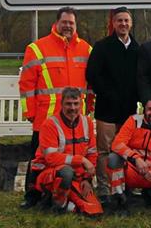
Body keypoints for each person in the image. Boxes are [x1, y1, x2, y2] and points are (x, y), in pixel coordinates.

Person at [18, 6, 92, 209]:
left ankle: (65, 194)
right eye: (65, 22)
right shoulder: (37, 48)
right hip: (46, 118)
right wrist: (30, 112)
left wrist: (90, 107)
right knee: (38, 159)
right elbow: (26, 85)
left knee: (74, 158)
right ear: (56, 23)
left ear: (76, 25)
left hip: (76, 119)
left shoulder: (86, 49)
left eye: (71, 23)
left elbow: (91, 84)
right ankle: (32, 195)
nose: (68, 26)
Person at [85, 6, 141, 199]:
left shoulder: (137, 48)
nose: (123, 24)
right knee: (105, 151)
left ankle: (127, 185)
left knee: (127, 149)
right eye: (119, 20)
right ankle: (104, 188)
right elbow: (92, 74)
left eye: (126, 20)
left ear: (131, 23)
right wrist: (108, 94)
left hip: (128, 110)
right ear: (113, 23)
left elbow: (140, 77)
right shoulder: (102, 46)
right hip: (106, 109)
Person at [28, 87, 102, 215]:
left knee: (94, 211)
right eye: (68, 104)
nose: (72, 108)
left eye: (76, 104)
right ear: (61, 104)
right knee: (66, 172)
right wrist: (81, 160)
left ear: (81, 104)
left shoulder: (87, 122)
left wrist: (87, 179)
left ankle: (63, 202)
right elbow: (51, 158)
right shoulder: (50, 124)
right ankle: (58, 205)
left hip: (77, 177)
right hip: (49, 174)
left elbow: (92, 153)